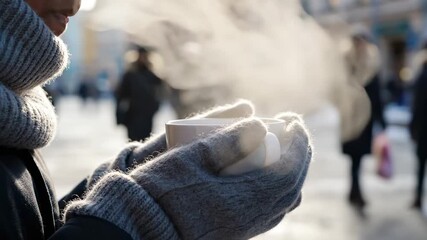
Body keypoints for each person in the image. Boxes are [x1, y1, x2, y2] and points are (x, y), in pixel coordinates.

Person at [0, 0, 313, 239]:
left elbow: (36, 226)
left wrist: (143, 166)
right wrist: (152, 217)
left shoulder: (15, 110)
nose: (74, 5)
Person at [341, 33, 387, 208]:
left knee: (357, 159)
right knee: (354, 158)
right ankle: (355, 191)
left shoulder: (371, 65)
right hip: (351, 120)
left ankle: (355, 191)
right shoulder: (347, 65)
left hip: (365, 121)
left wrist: (381, 119)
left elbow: (376, 96)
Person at [115, 46, 164, 141]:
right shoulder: (129, 75)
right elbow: (121, 95)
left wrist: (155, 107)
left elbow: (160, 92)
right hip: (132, 114)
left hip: (147, 114)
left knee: (146, 140)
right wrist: (119, 115)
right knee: (133, 140)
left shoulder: (152, 76)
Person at [409, 45, 427, 210]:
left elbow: (418, 105)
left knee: (421, 165)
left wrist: (413, 128)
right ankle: (417, 197)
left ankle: (418, 197)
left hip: (423, 129)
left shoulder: (422, 75)